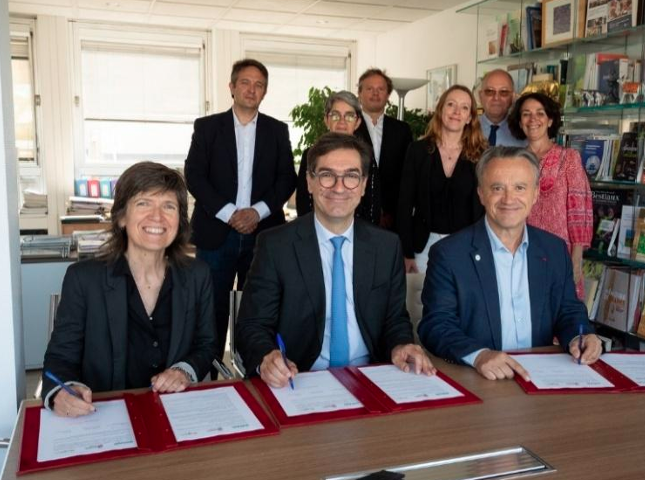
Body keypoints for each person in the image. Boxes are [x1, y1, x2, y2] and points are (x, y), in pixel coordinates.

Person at [237, 132, 435, 388]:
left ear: (363, 185)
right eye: (327, 175)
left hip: (370, 378)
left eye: (351, 176)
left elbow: (394, 319)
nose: (339, 187)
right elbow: (252, 325)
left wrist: (401, 345)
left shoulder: (386, 246)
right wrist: (266, 357)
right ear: (309, 182)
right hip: (299, 380)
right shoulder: (276, 246)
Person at [42, 162, 216, 416]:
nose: (157, 216)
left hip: (175, 412)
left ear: (180, 220)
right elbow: (60, 357)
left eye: (168, 206)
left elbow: (206, 344)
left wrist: (184, 370)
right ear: (122, 217)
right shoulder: (83, 279)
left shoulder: (198, 274)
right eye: (144, 203)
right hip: (103, 414)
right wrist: (62, 391)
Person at [418, 147, 602, 381]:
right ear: (481, 194)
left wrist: (580, 337)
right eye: (497, 188)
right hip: (480, 378)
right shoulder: (449, 254)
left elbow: (569, 311)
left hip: (540, 378)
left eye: (520, 188)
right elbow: (436, 325)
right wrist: (478, 355)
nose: (508, 199)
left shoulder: (554, 250)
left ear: (535, 194)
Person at [184, 59, 296, 371]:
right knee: (212, 308)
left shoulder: (277, 130)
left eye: (259, 85)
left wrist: (257, 213)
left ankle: (254, 371)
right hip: (216, 233)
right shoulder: (207, 127)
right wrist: (230, 213)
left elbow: (287, 178)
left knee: (258, 308)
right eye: (245, 82)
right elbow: (194, 176)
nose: (251, 89)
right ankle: (207, 372)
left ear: (265, 92)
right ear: (232, 87)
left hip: (263, 235)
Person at [507, 92, 592, 300]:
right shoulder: (514, 161)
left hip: (560, 251)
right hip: (521, 250)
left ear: (550, 120)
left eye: (540, 113)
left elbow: (579, 210)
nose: (533, 119)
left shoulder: (569, 158)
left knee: (561, 310)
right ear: (519, 121)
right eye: (526, 114)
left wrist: (576, 258)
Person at [397, 85, 487, 274]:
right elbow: (404, 204)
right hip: (423, 246)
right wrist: (406, 252)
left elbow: (486, 207)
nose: (456, 112)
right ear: (441, 110)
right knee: (421, 293)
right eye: (451, 104)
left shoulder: (482, 154)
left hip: (467, 245)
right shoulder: (417, 150)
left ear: (470, 117)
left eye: (464, 107)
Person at [295, 90, 379, 224]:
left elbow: (372, 205)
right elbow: (303, 202)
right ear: (326, 120)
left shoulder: (366, 156)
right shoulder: (310, 154)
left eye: (349, 116)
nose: (342, 122)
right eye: (335, 116)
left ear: (357, 122)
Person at [356, 68, 413, 231]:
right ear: (359, 93)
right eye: (370, 89)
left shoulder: (402, 130)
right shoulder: (350, 129)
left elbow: (407, 175)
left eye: (381, 89)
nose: (375, 93)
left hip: (393, 217)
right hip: (355, 213)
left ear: (388, 95)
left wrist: (391, 211)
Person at [478, 69, 525, 147]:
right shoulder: (466, 129)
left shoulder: (524, 131)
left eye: (503, 92)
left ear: (513, 97)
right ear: (480, 96)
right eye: (489, 91)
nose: (496, 98)